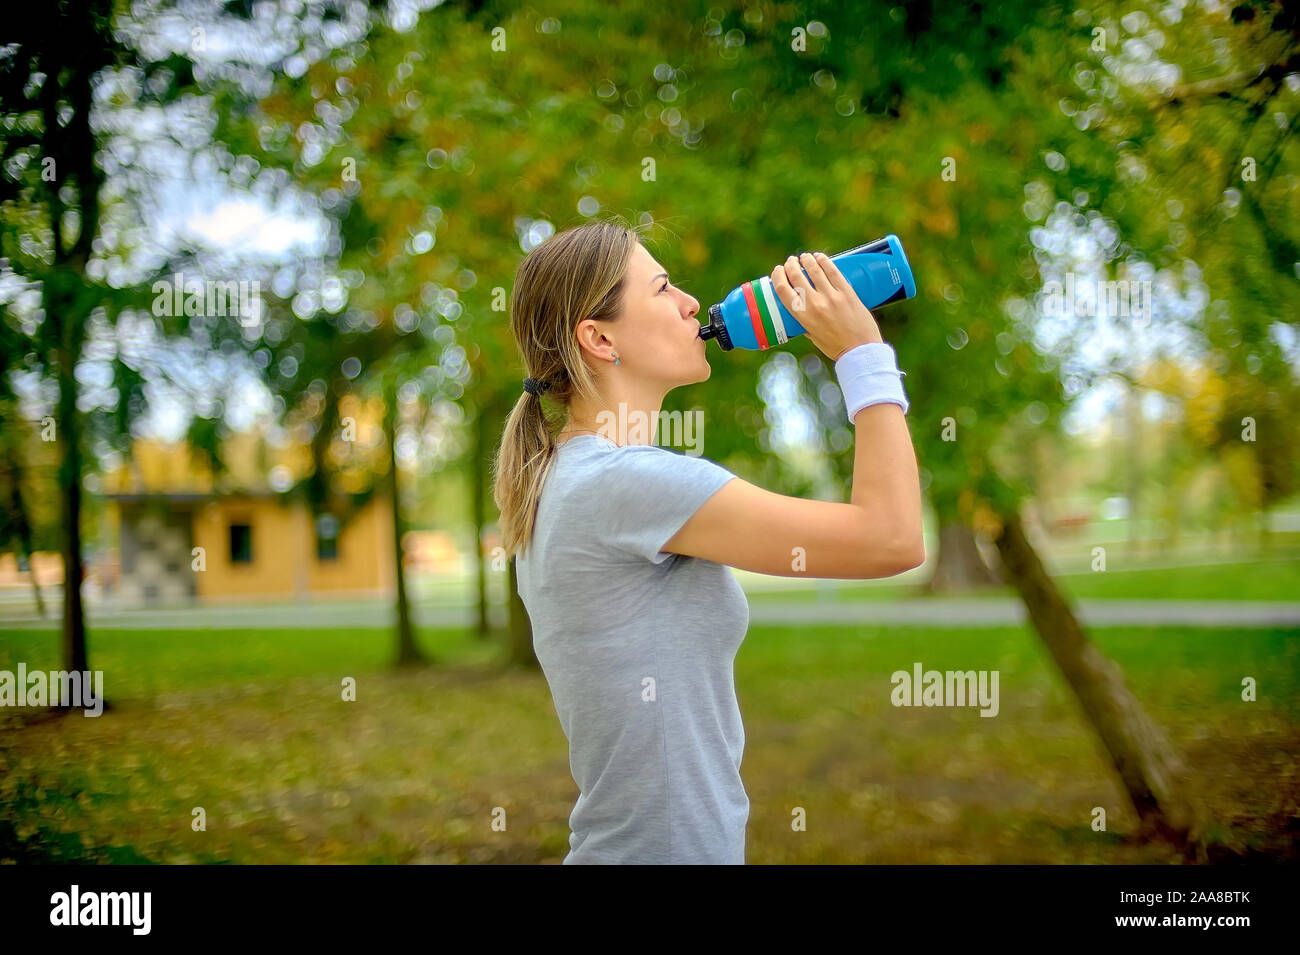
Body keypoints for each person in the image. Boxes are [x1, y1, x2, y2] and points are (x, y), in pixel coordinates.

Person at [491, 217, 923, 864]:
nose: (692, 302)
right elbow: (891, 538)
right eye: (663, 288)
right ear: (600, 337)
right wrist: (863, 356)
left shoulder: (573, 480)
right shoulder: (625, 484)